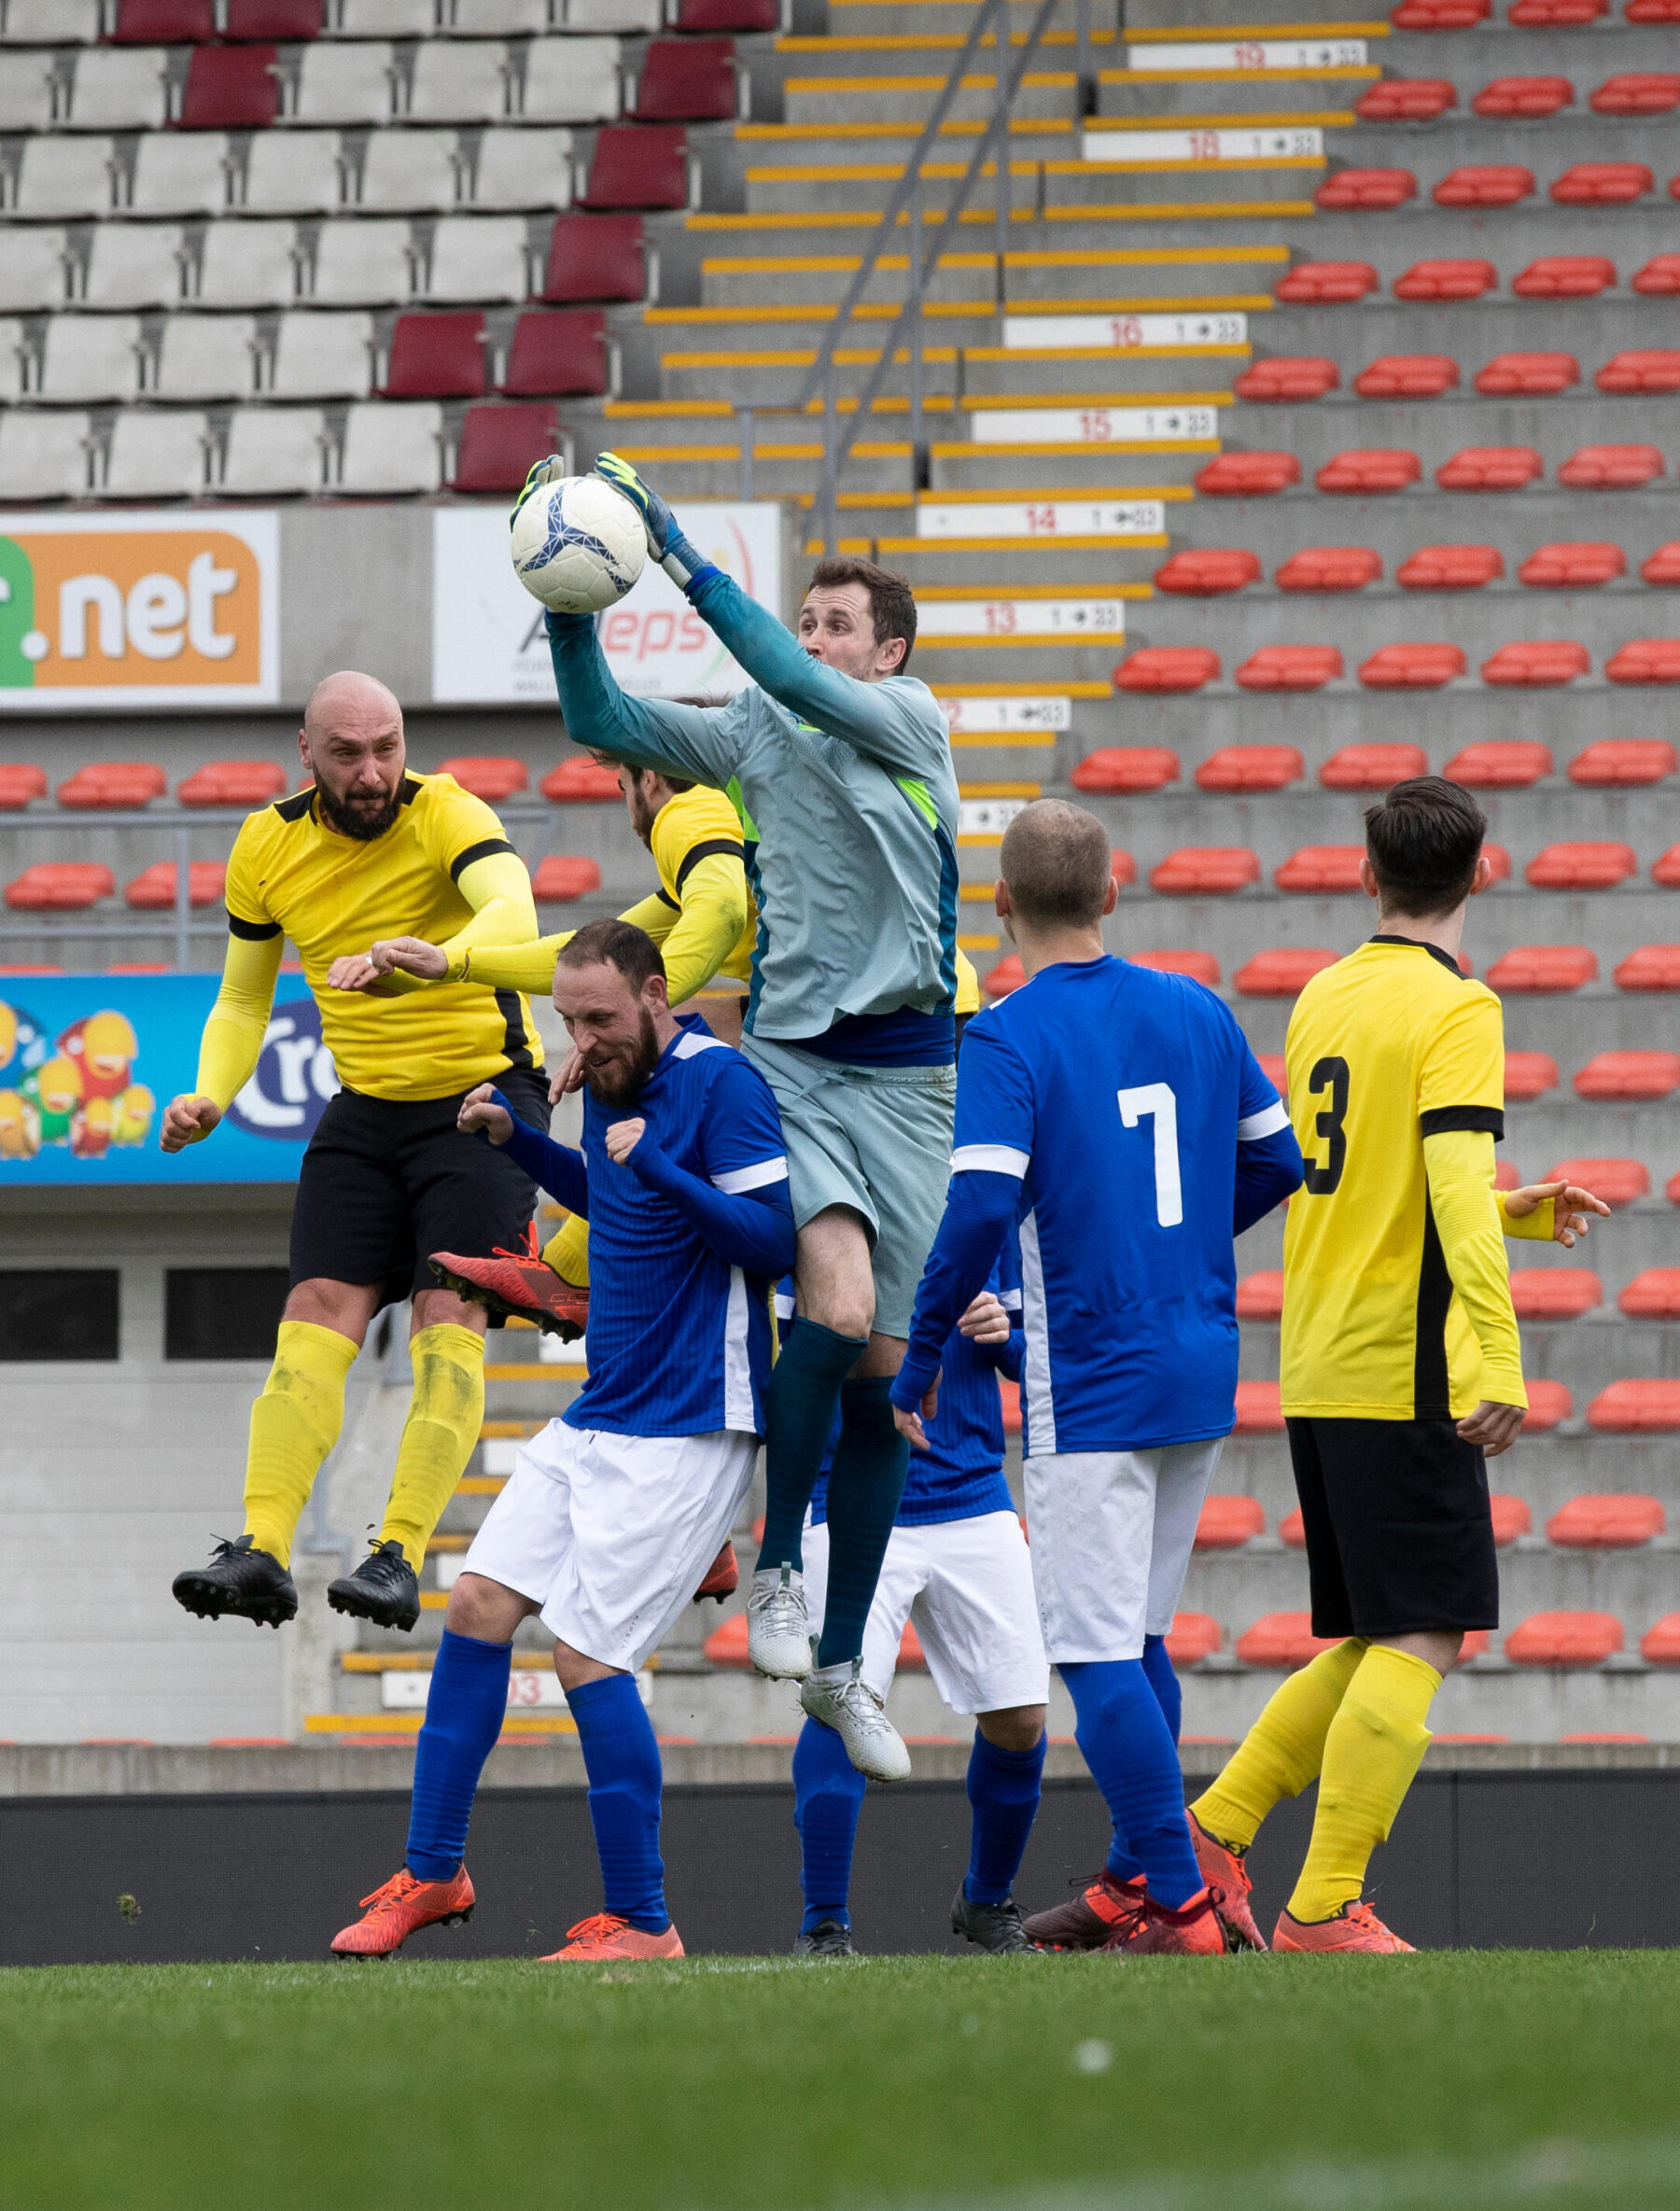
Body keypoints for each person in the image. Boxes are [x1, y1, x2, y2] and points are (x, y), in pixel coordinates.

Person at [526, 450, 962, 1784]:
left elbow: (783, 674)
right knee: (829, 1314)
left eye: (841, 623)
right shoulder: (754, 734)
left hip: (910, 1079)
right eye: (811, 614)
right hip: (795, 1065)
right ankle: (777, 1568)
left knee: (882, 1380)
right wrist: (565, 599)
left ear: (885, 654)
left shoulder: (911, 720)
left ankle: (840, 1664)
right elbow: (605, 718)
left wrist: (676, 550)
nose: (819, 636)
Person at [1186, 776, 1612, 1954]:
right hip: (1405, 1355)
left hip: (1321, 1347)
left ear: (1366, 875)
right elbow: (1444, 1198)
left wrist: (1518, 1208)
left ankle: (1217, 1831)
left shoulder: (1326, 992)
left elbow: (1392, 1171)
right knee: (1427, 1629)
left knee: (1378, 1631)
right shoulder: (1459, 1008)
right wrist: (1500, 1357)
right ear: (1485, 871)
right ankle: (1325, 1900)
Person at [330, 919, 794, 1963]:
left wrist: (667, 1165)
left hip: (694, 1421)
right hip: (605, 1410)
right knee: (481, 1601)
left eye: (602, 1017)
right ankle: (437, 1868)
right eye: (570, 1018)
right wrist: (524, 1141)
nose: (583, 1039)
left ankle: (643, 1919)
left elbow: (773, 1239)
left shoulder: (725, 1087)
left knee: (585, 1652)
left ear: (658, 992)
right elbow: (620, 1199)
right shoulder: (615, 1088)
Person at [889, 800, 1304, 1957]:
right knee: (1145, 1632)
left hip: (1093, 1370)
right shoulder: (1197, 1006)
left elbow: (977, 1202)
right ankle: (1137, 1875)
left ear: (1002, 905)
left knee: (1091, 1650)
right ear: (1114, 894)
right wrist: (1176, 1244)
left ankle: (1176, 1901)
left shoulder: (1008, 1034)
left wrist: (921, 1357)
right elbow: (1278, 1156)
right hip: (1197, 1361)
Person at [163, 671, 547, 1634]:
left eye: (388, 747)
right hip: (367, 1110)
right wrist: (214, 1092)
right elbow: (245, 996)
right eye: (348, 753)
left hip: (484, 1101)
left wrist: (436, 952)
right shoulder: (266, 844)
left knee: (445, 1317)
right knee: (312, 1317)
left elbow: (514, 911)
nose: (373, 771)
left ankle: (399, 1552)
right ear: (306, 751)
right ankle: (260, 1547)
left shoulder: (447, 810)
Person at [335, 755, 755, 1345]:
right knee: (646, 1041)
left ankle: (571, 1273)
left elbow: (720, 914)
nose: (627, 806)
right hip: (821, 1020)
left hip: (838, 1042)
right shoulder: (725, 841)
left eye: (622, 784)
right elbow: (590, 953)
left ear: (651, 778)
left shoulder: (691, 810)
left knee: (637, 1054)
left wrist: (631, 1019)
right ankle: (571, 1270)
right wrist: (454, 963)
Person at [788, 1230, 1050, 1958]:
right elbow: (788, 1358)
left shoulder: (987, 1201)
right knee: (841, 1705)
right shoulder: (832, 1205)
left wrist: (1006, 1341)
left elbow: (1039, 1366)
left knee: (1022, 1718)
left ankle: (987, 1900)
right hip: (849, 1493)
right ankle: (824, 1924)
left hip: (973, 1490)